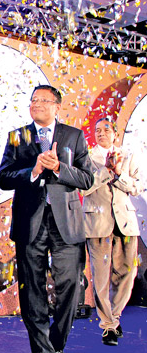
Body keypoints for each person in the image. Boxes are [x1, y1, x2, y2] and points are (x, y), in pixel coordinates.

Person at [0, 85, 94, 353]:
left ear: (56, 106)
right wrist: (35, 170)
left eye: (43, 100)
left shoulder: (74, 136)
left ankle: (56, 344)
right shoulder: (18, 136)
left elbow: (87, 179)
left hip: (67, 224)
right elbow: (3, 178)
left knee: (71, 287)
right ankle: (42, 350)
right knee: (32, 291)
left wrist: (59, 168)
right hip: (30, 223)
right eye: (33, 100)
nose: (36, 104)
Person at [82, 117, 141, 346]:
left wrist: (118, 174)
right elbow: (84, 187)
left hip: (125, 223)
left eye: (106, 129)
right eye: (97, 130)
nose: (101, 133)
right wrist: (106, 171)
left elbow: (137, 187)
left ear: (115, 134)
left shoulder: (128, 155)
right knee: (101, 278)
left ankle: (114, 318)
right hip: (97, 224)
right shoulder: (87, 158)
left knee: (127, 274)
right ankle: (108, 326)